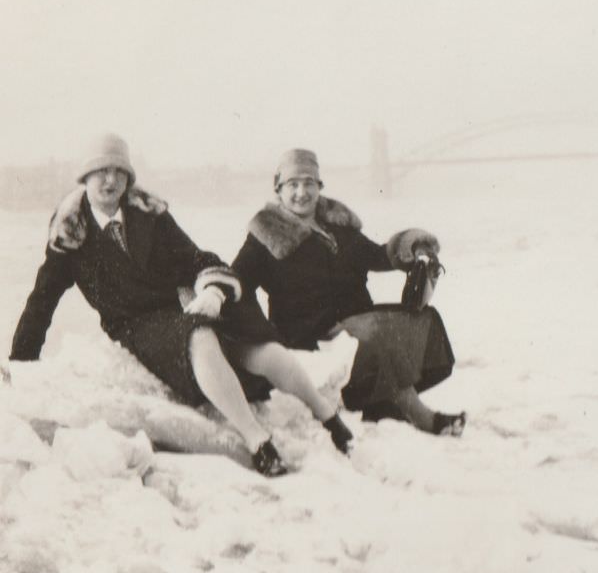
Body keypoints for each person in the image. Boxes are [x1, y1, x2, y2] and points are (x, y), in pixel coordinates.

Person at [9, 135, 353, 477]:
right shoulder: (71, 232)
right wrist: (21, 362)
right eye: (100, 171)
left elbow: (195, 258)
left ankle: (326, 414)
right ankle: (258, 441)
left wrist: (213, 291)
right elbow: (43, 299)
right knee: (200, 335)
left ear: (129, 177)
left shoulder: (149, 215)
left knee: (250, 338)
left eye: (119, 171)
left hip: (179, 308)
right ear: (84, 178)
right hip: (136, 325)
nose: (110, 180)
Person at [232, 149, 466, 436]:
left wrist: (415, 248)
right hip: (310, 335)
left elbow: (379, 256)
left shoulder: (337, 225)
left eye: (309, 183)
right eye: (293, 184)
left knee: (421, 319)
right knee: (378, 330)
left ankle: (384, 405)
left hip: (356, 320)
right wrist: (260, 332)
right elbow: (238, 283)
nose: (301, 192)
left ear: (320, 187)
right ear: (278, 189)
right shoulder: (266, 234)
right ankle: (425, 418)